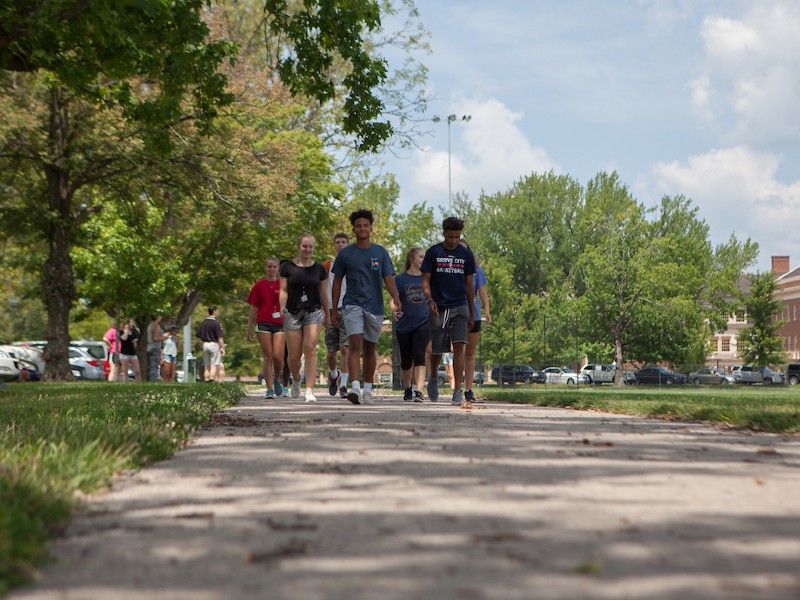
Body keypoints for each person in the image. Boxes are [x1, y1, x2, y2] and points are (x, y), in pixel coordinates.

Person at [331, 209, 401, 405]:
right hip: (352, 304)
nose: (362, 228)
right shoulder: (346, 254)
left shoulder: (380, 252)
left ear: (370, 228)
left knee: (370, 347)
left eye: (365, 225)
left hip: (375, 306)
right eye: (358, 226)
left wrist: (395, 297)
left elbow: (388, 278)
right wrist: (334, 309)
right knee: (355, 344)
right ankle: (354, 388)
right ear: (353, 229)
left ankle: (368, 390)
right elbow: (337, 282)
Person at [422, 216, 476, 405]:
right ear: (444, 233)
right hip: (439, 306)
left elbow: (470, 285)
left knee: (459, 346)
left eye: (457, 237)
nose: (453, 240)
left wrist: (471, 310)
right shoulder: (433, 252)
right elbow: (425, 280)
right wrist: (429, 300)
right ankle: (434, 376)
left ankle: (457, 390)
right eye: (450, 237)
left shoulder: (466, 254)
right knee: (437, 350)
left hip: (460, 305)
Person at [279, 234, 329, 403]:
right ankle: (295, 379)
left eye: (311, 247)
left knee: (310, 348)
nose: (308, 250)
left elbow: (323, 293)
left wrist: (327, 314)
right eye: (304, 246)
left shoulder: (320, 270)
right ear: (298, 246)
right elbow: (284, 290)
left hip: (313, 311)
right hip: (292, 311)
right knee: (294, 355)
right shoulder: (287, 267)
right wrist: (282, 308)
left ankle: (309, 390)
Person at [391, 247, 429, 402]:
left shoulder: (427, 278)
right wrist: (394, 310)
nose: (423, 260)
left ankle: (419, 390)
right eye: (420, 256)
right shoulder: (400, 280)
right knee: (406, 359)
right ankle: (408, 387)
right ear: (411, 258)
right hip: (404, 323)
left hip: (423, 321)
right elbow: (393, 299)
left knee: (419, 354)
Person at [247, 256, 285, 399]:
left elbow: (288, 302)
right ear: (265, 267)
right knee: (268, 355)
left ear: (278, 269)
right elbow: (253, 308)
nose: (271, 269)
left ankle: (276, 380)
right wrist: (249, 327)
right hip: (263, 322)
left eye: (274, 267)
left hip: (280, 323)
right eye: (269, 266)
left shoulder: (283, 284)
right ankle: (269, 389)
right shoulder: (259, 285)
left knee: (278, 356)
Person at [459, 238, 491, 402]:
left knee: (470, 353)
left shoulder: (477, 270)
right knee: (458, 350)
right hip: (456, 313)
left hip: (474, 314)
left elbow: (482, 291)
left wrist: (487, 310)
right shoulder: (450, 270)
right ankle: (456, 388)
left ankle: (469, 389)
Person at [322, 233, 350, 398]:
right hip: (331, 309)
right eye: (338, 242)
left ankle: (344, 385)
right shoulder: (326, 266)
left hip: (347, 308)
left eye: (343, 242)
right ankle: (334, 375)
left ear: (348, 244)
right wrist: (324, 311)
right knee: (332, 351)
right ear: (334, 245)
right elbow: (321, 289)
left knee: (345, 348)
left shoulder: (352, 265)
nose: (340, 244)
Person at [196, 306, 225, 382]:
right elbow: (220, 338)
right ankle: (212, 380)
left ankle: (206, 380)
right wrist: (222, 348)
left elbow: (198, 337)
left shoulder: (204, 323)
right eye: (217, 311)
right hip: (214, 345)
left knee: (207, 366)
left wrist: (201, 345)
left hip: (205, 345)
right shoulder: (216, 323)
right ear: (214, 311)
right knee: (214, 365)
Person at [146, 315, 170, 382]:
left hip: (150, 348)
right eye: (160, 316)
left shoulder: (151, 325)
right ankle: (153, 381)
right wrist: (164, 337)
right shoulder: (156, 325)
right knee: (155, 367)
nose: (161, 317)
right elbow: (156, 338)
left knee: (152, 366)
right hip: (155, 348)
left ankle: (152, 380)